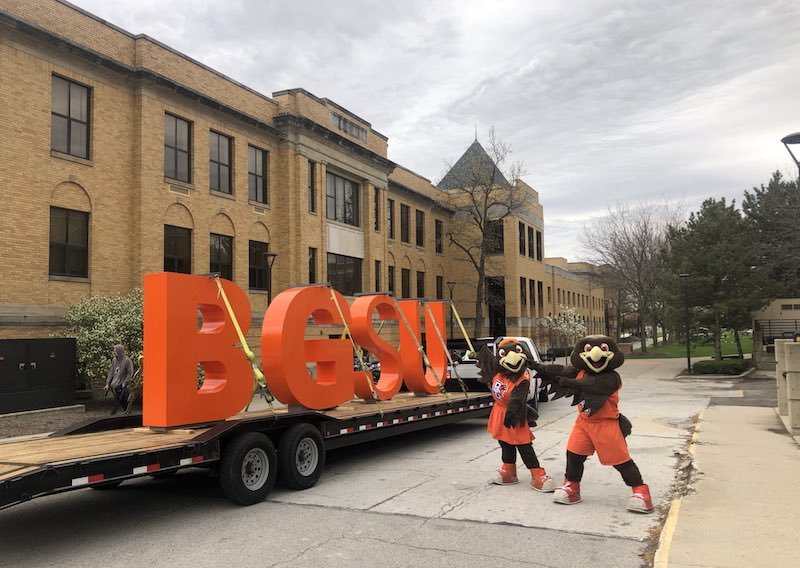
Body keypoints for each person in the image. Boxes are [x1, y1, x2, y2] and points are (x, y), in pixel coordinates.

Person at [478, 338, 556, 492]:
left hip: (515, 414)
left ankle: (538, 474)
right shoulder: (498, 373)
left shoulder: (523, 378)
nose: (512, 358)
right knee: (505, 442)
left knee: (523, 445)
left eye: (517, 352)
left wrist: (512, 413)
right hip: (499, 412)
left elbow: (517, 398)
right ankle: (509, 471)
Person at [105, 344, 133, 415]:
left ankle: (112, 415)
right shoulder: (114, 360)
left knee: (118, 400)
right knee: (123, 400)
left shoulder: (127, 360)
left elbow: (130, 373)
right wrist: (107, 384)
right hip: (115, 383)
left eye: (115, 351)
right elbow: (111, 371)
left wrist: (125, 382)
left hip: (122, 384)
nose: (113, 352)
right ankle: (127, 412)